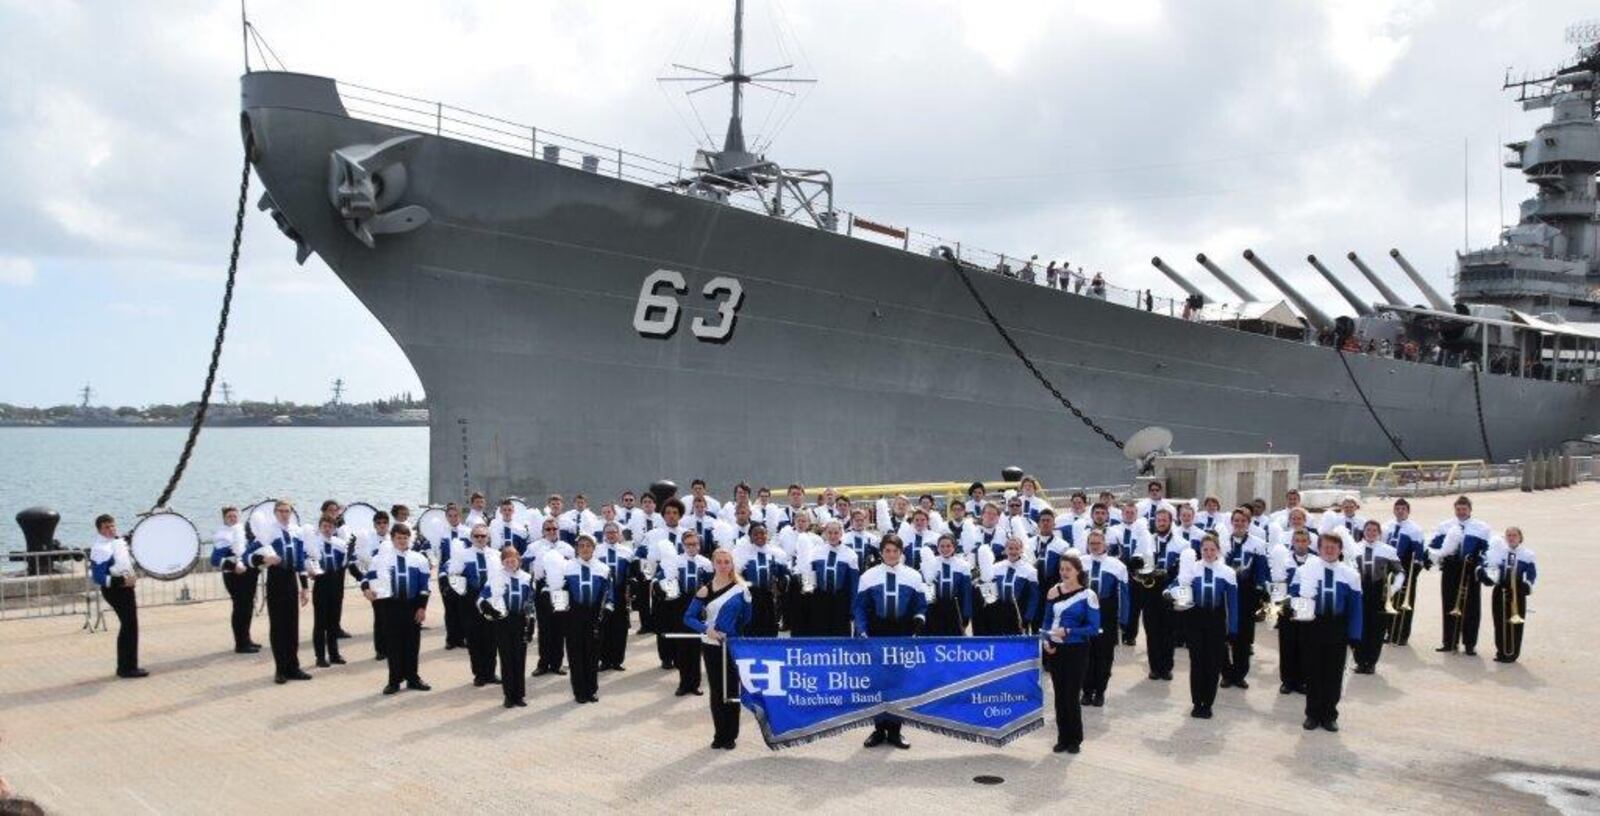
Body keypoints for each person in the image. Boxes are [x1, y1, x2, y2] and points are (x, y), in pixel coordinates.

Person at [854, 536, 927, 750]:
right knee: (877, 681)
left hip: (902, 633)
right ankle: (878, 729)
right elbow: (859, 607)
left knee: (898, 682)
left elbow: (921, 605)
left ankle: (895, 730)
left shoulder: (913, 576)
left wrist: (918, 622)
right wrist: (863, 631)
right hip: (877, 633)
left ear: (901, 552)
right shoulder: (868, 576)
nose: (891, 555)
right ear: (881, 552)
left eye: (895, 550)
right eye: (887, 550)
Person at [1290, 533, 1362, 732]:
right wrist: (1302, 618)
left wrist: (1355, 635)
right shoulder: (1304, 571)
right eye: (1325, 547)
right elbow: (1295, 596)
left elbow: (1356, 608)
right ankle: (1312, 714)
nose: (1329, 550)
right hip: (1312, 626)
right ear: (1319, 549)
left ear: (1340, 550)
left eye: (1333, 547)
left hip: (1337, 628)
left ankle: (1329, 715)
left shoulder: (1351, 575)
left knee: (1333, 674)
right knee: (1313, 673)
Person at [684, 548, 754, 750]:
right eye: (720, 562)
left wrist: (733, 633)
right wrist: (707, 629)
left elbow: (748, 618)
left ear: (732, 564)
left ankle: (731, 735)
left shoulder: (742, 589)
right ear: (713, 564)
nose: (723, 566)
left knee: (731, 689)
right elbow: (688, 618)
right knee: (716, 691)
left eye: (727, 562)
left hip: (733, 646)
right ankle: (719, 734)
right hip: (712, 646)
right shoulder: (705, 590)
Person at [1168, 534, 1237, 719]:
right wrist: (1169, 591)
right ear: (1200, 551)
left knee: (1213, 663)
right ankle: (1197, 702)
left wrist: (1233, 628)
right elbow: (1177, 583)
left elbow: (1232, 604)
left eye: (1212, 549)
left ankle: (1208, 703)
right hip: (1195, 620)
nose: (1208, 553)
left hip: (1216, 621)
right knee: (1197, 661)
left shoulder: (1227, 572)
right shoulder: (1193, 569)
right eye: (1205, 549)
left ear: (1218, 551)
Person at [246, 500, 313, 684]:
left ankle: (294, 667)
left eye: (287, 511)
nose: (285, 514)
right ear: (275, 513)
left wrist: (305, 588)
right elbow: (247, 555)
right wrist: (264, 558)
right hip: (276, 579)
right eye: (281, 511)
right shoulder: (268, 531)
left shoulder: (296, 532)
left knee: (292, 626)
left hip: (291, 580)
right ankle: (280, 669)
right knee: (278, 627)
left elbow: (300, 561)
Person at [364, 524, 432, 694]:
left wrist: (422, 608)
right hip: (390, 606)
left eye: (405, 538)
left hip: (412, 606)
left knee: (412, 644)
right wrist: (366, 589)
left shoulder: (419, 559)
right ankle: (394, 681)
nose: (402, 541)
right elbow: (368, 578)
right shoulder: (380, 558)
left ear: (410, 539)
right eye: (398, 538)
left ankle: (413, 678)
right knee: (393, 645)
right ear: (392, 539)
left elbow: (424, 586)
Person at [1042, 554, 1098, 753]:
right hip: (1056, 649)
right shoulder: (1053, 592)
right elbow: (1046, 622)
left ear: (1078, 571)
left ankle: (1075, 739)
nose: (1064, 573)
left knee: (1071, 695)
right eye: (1062, 569)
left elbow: (1094, 627)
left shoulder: (1088, 595)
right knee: (1059, 695)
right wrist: (1046, 642)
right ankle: (1062, 737)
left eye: (1068, 569)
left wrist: (1069, 631)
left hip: (1077, 649)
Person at [1429, 496, 1491, 655]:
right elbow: (1434, 545)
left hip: (1470, 569)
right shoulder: (1445, 526)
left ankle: (1470, 644)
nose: (1461, 512)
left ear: (1470, 510)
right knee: (1449, 604)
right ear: (1454, 509)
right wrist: (1431, 556)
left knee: (1471, 607)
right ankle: (1449, 642)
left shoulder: (1481, 527)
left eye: (1464, 509)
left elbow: (1486, 551)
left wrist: (1480, 566)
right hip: (1450, 568)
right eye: (1458, 509)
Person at [89, 514, 146, 679]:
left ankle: (129, 665)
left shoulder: (115, 542)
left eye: (112, 526)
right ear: (99, 530)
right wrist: (123, 580)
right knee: (128, 626)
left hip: (125, 588)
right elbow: (98, 577)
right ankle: (126, 668)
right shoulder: (100, 548)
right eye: (106, 527)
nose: (111, 529)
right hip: (115, 590)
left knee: (131, 626)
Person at [479, 546, 535, 707]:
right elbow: (482, 597)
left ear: (519, 560)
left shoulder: (526, 577)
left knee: (519, 657)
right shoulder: (496, 577)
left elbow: (530, 601)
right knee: (506, 657)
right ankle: (509, 695)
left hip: (520, 621)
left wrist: (531, 621)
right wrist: (486, 607)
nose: (510, 562)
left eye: (513, 559)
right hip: (502, 620)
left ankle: (519, 695)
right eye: (507, 560)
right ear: (502, 562)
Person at [1220, 508, 1268, 689]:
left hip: (1247, 594)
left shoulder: (1257, 544)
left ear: (1248, 523)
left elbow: (1262, 570)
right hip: (1226, 594)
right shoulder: (1223, 542)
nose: (1239, 524)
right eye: (1236, 520)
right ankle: (1225, 673)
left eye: (1243, 521)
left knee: (1244, 636)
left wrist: (1260, 591)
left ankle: (1239, 674)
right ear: (1232, 522)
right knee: (1224, 635)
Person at [450, 523, 502, 687]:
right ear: (471, 538)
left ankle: (490, 673)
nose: (480, 539)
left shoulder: (496, 554)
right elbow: (453, 575)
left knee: (491, 639)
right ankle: (479, 674)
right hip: (470, 602)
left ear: (488, 538)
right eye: (477, 536)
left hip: (490, 601)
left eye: (483, 536)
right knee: (474, 639)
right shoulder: (463, 555)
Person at [1080, 531, 1128, 707]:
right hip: (1084, 613)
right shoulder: (1081, 562)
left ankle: (1100, 691)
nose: (1094, 546)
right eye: (1091, 543)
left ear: (1105, 544)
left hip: (1106, 613)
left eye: (1098, 543)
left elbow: (1124, 595)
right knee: (1085, 653)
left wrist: (1123, 620)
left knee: (1104, 655)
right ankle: (1086, 690)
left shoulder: (1117, 566)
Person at [561, 535, 611, 703]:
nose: (584, 548)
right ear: (577, 548)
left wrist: (608, 608)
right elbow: (559, 590)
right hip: (574, 615)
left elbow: (608, 591)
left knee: (592, 653)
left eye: (588, 545)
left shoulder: (603, 568)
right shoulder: (567, 567)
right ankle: (579, 692)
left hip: (594, 615)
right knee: (575, 654)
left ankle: (592, 690)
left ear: (593, 548)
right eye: (581, 545)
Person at [1350, 520, 1402, 674]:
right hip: (1360, 592)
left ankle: (1371, 662)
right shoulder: (1354, 549)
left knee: (1377, 630)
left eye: (1374, 530)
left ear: (1379, 533)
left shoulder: (1388, 550)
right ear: (1363, 531)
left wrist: (1393, 589)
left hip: (1379, 594)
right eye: (1368, 530)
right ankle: (1360, 661)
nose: (1371, 533)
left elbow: (1400, 572)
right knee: (1360, 627)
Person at [667, 532, 714, 695]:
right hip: (680, 604)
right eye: (688, 544)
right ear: (683, 545)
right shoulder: (676, 561)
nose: (692, 547)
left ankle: (695, 684)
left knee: (695, 645)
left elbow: (711, 585)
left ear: (699, 545)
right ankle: (683, 683)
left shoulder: (706, 563)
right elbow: (667, 580)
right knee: (681, 645)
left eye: (694, 544)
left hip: (699, 605)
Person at [1480, 527, 1536, 663]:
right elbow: (1487, 565)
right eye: (1508, 535)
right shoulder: (1499, 552)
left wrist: (1527, 584)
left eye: (1514, 535)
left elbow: (1531, 574)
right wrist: (1486, 575)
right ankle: (1501, 651)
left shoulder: (1527, 555)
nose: (1511, 538)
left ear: (1520, 537)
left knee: (1515, 623)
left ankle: (1512, 653)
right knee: (1499, 622)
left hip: (1517, 592)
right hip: (1501, 590)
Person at [527, 518, 574, 677]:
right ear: (542, 531)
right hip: (543, 589)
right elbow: (522, 563)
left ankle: (557, 664)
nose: (552, 532)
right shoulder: (534, 547)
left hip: (561, 590)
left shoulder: (566, 547)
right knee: (545, 627)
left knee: (559, 627)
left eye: (554, 529)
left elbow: (573, 567)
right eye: (548, 529)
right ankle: (543, 663)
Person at [1270, 528, 1315, 694]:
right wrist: (1276, 606)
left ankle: (1303, 680)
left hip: (1305, 605)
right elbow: (1277, 580)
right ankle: (1287, 681)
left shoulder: (1315, 560)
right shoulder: (1284, 559)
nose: (1301, 544)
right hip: (1287, 606)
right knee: (1287, 643)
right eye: (1297, 541)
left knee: (1305, 643)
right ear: (1292, 542)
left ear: (1310, 542)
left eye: (1304, 541)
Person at [210, 506, 260, 654]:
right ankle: (240, 644)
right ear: (224, 519)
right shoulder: (223, 536)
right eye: (229, 516)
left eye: (235, 516)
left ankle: (247, 639)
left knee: (248, 607)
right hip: (234, 576)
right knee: (240, 608)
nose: (233, 518)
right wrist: (233, 566)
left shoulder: (241, 531)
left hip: (248, 574)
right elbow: (215, 559)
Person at [802, 520, 861, 636]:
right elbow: (808, 578)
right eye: (829, 533)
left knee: (840, 633)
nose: (833, 536)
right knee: (820, 632)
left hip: (841, 599)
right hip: (820, 598)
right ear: (824, 533)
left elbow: (854, 584)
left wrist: (853, 606)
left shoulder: (850, 554)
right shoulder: (815, 552)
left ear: (841, 533)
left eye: (836, 533)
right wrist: (808, 602)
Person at [306, 514, 350, 668]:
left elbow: (344, 564)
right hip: (321, 585)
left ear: (335, 528)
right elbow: (307, 561)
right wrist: (309, 571)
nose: (327, 529)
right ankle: (320, 656)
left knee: (333, 622)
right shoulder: (314, 543)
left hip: (336, 585)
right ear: (320, 527)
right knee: (320, 623)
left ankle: (334, 654)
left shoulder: (339, 544)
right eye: (324, 526)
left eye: (330, 526)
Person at [732, 522, 789, 637]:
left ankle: (769, 654)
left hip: (770, 597)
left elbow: (785, 575)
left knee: (770, 628)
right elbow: (736, 576)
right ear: (750, 536)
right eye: (755, 534)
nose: (759, 536)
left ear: (767, 534)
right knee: (751, 627)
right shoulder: (743, 554)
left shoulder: (776, 553)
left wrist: (781, 583)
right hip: (751, 597)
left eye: (762, 533)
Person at [1383, 499, 1427, 645]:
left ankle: (1402, 635)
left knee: (1404, 602)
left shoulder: (1415, 529)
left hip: (1406, 569)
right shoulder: (1387, 526)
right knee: (1389, 600)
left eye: (1403, 508)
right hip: (1389, 568)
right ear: (1394, 510)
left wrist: (1413, 572)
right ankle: (1389, 632)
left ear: (1408, 511)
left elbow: (1419, 555)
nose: (1400, 511)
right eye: (1397, 508)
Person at [352, 511, 394, 660]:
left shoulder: (393, 539)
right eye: (379, 523)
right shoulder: (368, 541)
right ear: (374, 525)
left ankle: (392, 647)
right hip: (375, 583)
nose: (382, 525)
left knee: (392, 617)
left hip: (391, 583)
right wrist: (365, 587)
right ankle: (380, 650)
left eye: (385, 523)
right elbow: (360, 565)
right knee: (380, 618)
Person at [595, 522, 634, 671]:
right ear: (604, 534)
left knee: (620, 628)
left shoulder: (627, 552)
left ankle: (617, 660)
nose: (611, 535)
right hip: (602, 593)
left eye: (613, 532)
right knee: (604, 626)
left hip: (620, 592)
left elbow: (632, 573)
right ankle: (604, 660)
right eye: (608, 532)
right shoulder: (597, 551)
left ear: (619, 534)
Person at [434, 503, 473, 650]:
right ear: (446, 517)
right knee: (449, 607)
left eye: (455, 515)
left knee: (463, 607)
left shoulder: (467, 532)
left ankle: (462, 637)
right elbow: (435, 551)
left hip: (462, 573)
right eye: (449, 516)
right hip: (445, 573)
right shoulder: (441, 533)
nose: (453, 518)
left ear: (460, 516)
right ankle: (451, 638)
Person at [982, 537, 1039, 634]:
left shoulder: (1030, 570)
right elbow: (989, 591)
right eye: (1010, 548)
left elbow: (1034, 597)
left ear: (1022, 550)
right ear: (1005, 550)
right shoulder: (996, 567)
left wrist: (1028, 617)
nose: (1013, 551)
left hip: (1019, 613)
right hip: (998, 612)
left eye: (1017, 549)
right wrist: (990, 611)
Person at [921, 534, 973, 636]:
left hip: (954, 608)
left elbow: (966, 592)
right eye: (942, 546)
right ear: (937, 547)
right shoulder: (931, 563)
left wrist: (966, 614)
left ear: (954, 547)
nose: (945, 549)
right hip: (935, 608)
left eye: (948, 546)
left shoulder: (963, 565)